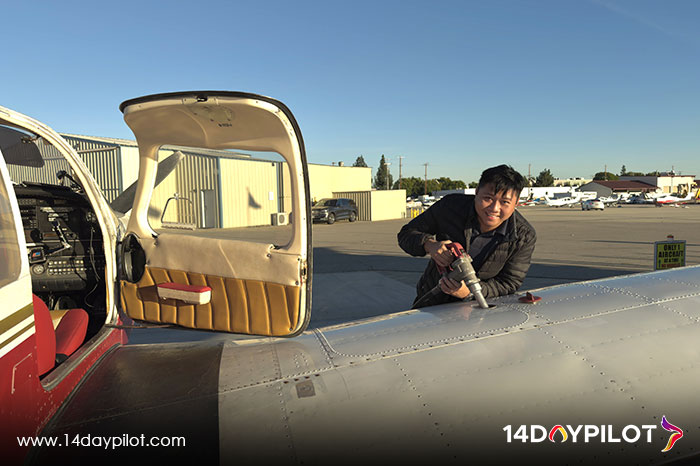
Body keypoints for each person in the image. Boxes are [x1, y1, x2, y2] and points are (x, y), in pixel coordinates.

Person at [397, 164, 536, 308]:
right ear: (476, 192)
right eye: (488, 198)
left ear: (516, 203)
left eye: (505, 202)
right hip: (430, 299)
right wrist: (429, 245)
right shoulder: (450, 207)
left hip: (478, 307)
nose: (494, 208)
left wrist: (469, 292)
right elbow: (406, 234)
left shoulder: (523, 236)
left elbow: (509, 283)